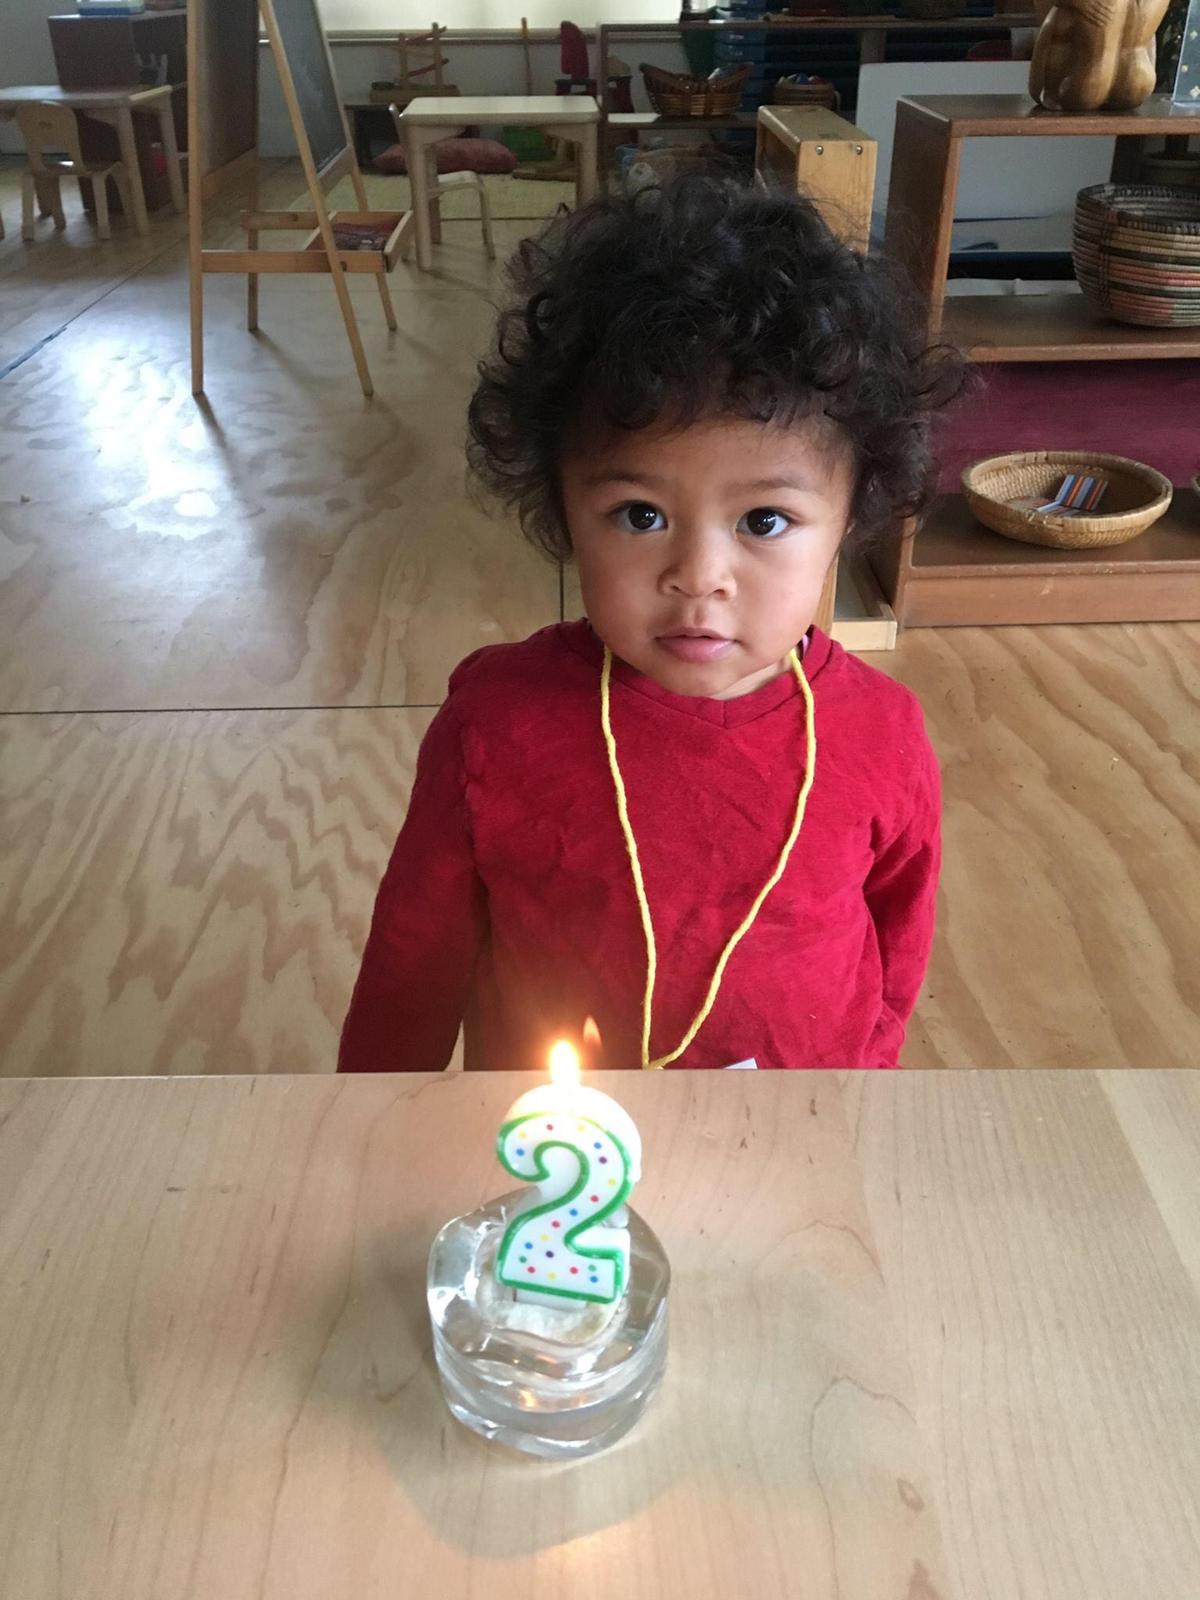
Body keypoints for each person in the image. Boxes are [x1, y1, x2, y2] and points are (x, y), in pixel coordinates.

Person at [340, 178, 961, 1073]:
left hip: (799, 1144)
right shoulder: (496, 720)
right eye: (638, 515)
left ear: (852, 514)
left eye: (764, 521)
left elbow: (898, 947)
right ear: (561, 503)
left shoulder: (882, 733)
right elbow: (414, 955)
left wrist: (868, 1097)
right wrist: (371, 1123)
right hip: (548, 1169)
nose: (698, 577)